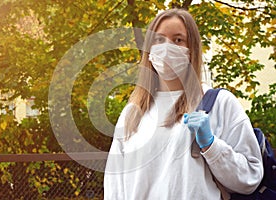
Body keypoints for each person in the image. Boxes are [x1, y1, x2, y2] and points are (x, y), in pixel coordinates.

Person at [104, 8, 263, 200]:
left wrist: (211, 146)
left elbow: (250, 178)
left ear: (191, 49)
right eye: (159, 40)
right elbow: (115, 186)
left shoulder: (219, 103)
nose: (167, 47)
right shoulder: (133, 113)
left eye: (178, 40)